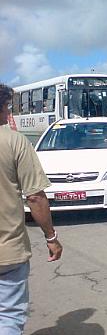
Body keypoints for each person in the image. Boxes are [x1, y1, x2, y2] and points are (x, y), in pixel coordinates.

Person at [0, 83, 63, 334]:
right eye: (6, 107)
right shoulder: (15, 142)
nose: (7, 113)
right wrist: (52, 237)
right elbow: (35, 197)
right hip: (7, 252)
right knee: (8, 317)